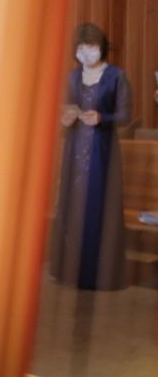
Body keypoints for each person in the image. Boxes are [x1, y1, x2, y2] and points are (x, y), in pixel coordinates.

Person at [51, 22, 131, 290]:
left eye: (92, 47)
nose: (86, 53)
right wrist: (65, 117)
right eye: (81, 48)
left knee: (99, 207)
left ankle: (99, 275)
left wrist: (102, 118)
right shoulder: (72, 77)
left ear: (102, 48)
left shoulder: (116, 76)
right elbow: (61, 111)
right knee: (72, 206)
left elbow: (125, 115)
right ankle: (70, 273)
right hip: (74, 149)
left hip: (101, 151)